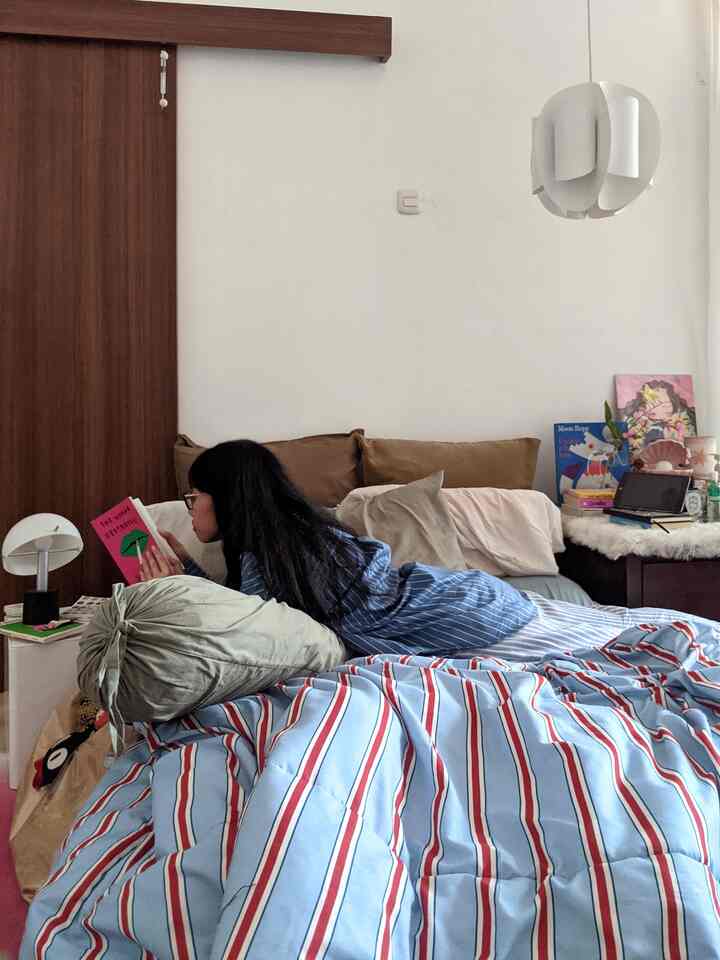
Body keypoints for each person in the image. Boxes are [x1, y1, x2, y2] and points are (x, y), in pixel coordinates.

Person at [139, 440, 537, 656]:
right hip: (465, 595)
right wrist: (187, 570)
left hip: (459, 607)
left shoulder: (279, 550)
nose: (190, 510)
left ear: (226, 498)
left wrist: (178, 588)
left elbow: (246, 635)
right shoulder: (281, 544)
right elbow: (246, 610)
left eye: (195, 498)